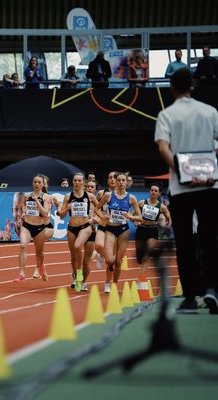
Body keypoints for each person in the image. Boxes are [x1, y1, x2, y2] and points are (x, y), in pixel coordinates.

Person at [155, 67, 218, 313]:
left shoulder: (166, 114)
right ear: (192, 85)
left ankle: (190, 296)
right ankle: (213, 290)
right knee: (210, 237)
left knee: (184, 241)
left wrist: (184, 172)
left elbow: (163, 148)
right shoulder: (210, 111)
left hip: (181, 188)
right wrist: (205, 168)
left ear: (172, 88)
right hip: (210, 184)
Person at [95, 172, 142, 293]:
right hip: (110, 229)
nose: (121, 182)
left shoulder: (131, 198)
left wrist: (130, 216)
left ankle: (113, 284)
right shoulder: (108, 195)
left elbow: (140, 217)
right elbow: (96, 209)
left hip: (123, 230)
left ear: (126, 182)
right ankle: (107, 281)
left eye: (123, 180)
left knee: (119, 261)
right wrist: (103, 217)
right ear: (115, 182)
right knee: (110, 260)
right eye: (119, 180)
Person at [57, 173, 98, 292]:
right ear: (72, 182)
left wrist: (96, 217)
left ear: (83, 182)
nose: (77, 182)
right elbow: (62, 215)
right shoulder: (67, 196)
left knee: (85, 261)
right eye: (75, 180)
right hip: (72, 228)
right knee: (74, 256)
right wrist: (67, 208)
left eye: (79, 180)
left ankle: (83, 281)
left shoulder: (90, 196)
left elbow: (99, 207)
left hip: (87, 227)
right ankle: (76, 278)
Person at [15, 174, 54, 282]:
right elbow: (24, 207)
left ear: (42, 184)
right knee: (22, 246)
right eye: (35, 182)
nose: (36, 184)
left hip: (39, 227)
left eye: (39, 182)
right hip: (27, 225)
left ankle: (41, 268)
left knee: (39, 253)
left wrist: (37, 201)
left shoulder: (46, 197)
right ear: (32, 183)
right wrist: (23, 213)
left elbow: (45, 213)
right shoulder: (27, 196)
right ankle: (22, 273)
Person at [135, 183, 171, 295]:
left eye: (156, 191)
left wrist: (167, 223)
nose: (153, 192)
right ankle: (141, 278)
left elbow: (168, 216)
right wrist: (135, 220)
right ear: (149, 191)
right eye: (152, 190)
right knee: (140, 258)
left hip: (153, 231)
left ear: (159, 193)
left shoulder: (161, 206)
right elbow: (134, 214)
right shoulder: (142, 203)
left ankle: (141, 281)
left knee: (147, 256)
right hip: (141, 230)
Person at [95, 171, 117, 270]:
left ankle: (108, 284)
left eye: (114, 177)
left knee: (112, 252)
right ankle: (101, 255)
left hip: (116, 227)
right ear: (108, 181)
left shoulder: (122, 195)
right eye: (110, 177)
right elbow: (95, 207)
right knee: (99, 245)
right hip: (103, 224)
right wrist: (96, 216)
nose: (112, 179)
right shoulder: (101, 193)